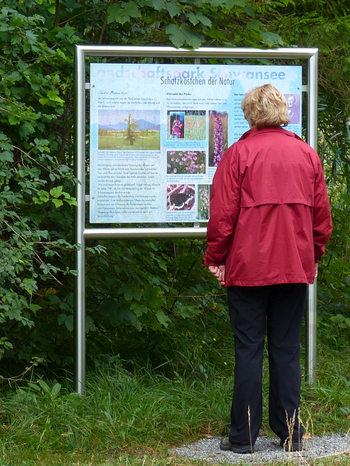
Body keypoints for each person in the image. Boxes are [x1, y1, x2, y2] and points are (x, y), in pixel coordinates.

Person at [203, 84, 332, 454]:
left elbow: (222, 217)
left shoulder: (238, 154)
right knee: (287, 349)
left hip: (247, 269)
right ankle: (290, 433)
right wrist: (314, 256)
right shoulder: (307, 155)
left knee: (248, 348)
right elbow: (322, 218)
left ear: (250, 115)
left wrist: (216, 258)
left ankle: (243, 437)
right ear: (282, 111)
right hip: (293, 266)